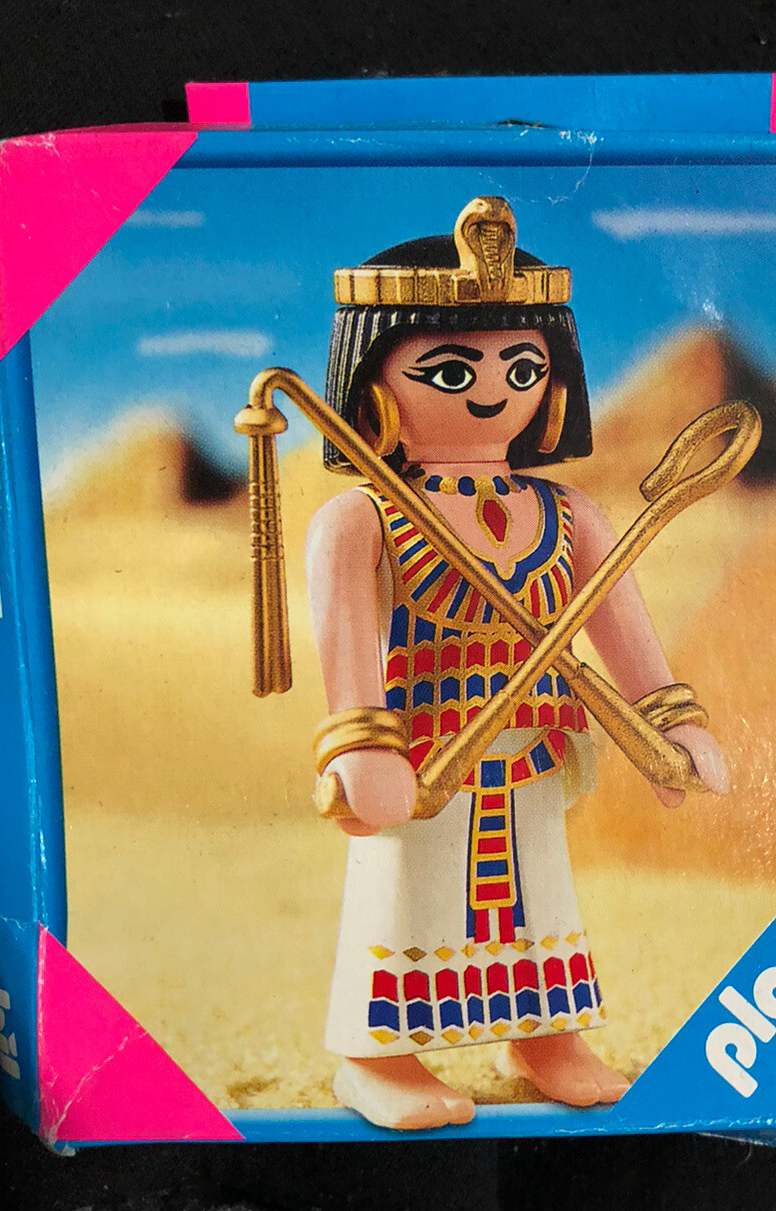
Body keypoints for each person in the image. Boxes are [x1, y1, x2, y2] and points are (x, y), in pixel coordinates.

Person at [305, 197, 729, 1131]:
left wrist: (672, 722)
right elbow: (345, 653)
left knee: (538, 898)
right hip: (422, 754)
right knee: (405, 900)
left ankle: (544, 1039)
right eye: (452, 371)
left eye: (523, 366)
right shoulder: (362, 518)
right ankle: (375, 1056)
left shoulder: (571, 516)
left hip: (535, 749)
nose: (495, 390)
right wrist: (360, 747)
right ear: (375, 380)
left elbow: (628, 639)